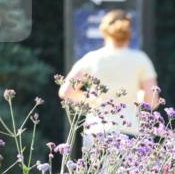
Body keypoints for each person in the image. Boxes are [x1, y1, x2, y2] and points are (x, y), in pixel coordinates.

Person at [58, 9, 159, 149]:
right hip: (129, 131)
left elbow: (66, 92)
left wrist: (93, 102)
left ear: (104, 31)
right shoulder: (140, 60)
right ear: (129, 33)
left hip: (96, 130)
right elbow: (152, 100)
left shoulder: (92, 58)